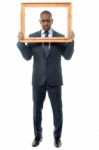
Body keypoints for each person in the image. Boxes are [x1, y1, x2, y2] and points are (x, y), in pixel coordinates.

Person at [17, 10, 75, 148]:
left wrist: (71, 41)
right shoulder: (32, 37)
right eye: (43, 20)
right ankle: (37, 136)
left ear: (52, 21)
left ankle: (57, 137)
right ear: (40, 21)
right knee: (36, 110)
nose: (46, 23)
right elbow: (27, 57)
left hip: (55, 79)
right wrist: (20, 43)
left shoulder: (60, 37)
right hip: (38, 80)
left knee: (57, 110)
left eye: (48, 20)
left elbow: (67, 56)